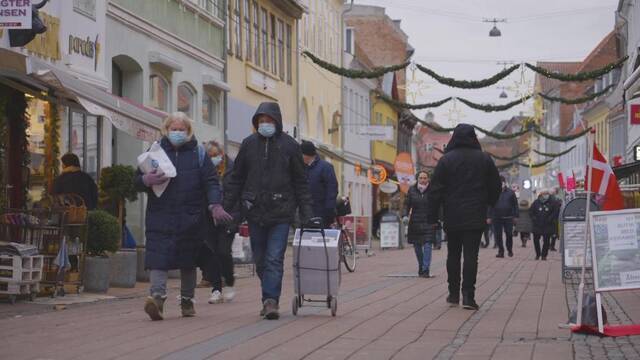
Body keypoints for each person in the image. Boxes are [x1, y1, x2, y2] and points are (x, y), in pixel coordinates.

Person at [136, 112, 231, 321]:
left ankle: (187, 301)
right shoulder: (156, 151)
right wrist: (145, 179)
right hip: (160, 215)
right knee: (158, 259)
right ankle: (157, 299)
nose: (177, 132)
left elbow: (211, 181)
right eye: (173, 129)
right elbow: (136, 179)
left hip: (190, 216)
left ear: (188, 132)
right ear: (166, 129)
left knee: (188, 261)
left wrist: (214, 204)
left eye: (181, 129)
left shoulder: (198, 153)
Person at [224, 102, 312, 320]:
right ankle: (268, 297)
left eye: (269, 121)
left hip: (281, 212)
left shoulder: (290, 146)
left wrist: (306, 213)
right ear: (256, 123)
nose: (265, 124)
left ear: (277, 121)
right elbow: (236, 179)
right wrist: (227, 208)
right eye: (261, 121)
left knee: (274, 258)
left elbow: (301, 182)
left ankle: (271, 301)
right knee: (261, 260)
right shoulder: (248, 145)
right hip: (255, 212)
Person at [427, 124, 501, 311]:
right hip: (475, 214)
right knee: (471, 256)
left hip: (452, 214)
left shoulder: (446, 160)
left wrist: (433, 216)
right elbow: (496, 186)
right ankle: (469, 296)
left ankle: (453, 294)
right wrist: (489, 203)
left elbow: (435, 190)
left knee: (453, 254)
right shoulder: (484, 159)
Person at [201, 140, 239, 305]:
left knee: (224, 252)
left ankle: (229, 282)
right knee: (212, 254)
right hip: (209, 218)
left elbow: (238, 193)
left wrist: (236, 216)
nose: (213, 159)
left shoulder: (233, 170)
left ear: (222, 154)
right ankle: (216, 289)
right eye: (210, 156)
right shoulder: (204, 170)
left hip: (228, 218)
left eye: (215, 155)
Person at [403, 170, 435, 278]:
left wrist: (439, 219)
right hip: (415, 222)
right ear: (418, 179)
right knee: (417, 246)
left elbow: (438, 205)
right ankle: (421, 265)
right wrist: (405, 215)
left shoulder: (432, 190)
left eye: (425, 178)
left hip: (429, 221)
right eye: (421, 178)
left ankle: (426, 269)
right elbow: (406, 204)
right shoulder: (412, 190)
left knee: (427, 245)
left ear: (428, 179)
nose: (423, 180)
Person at [300, 140, 338, 227]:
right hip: (305, 213)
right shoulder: (301, 168)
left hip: (321, 213)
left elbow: (332, 190)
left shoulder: (325, 168)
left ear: (305, 155)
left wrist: (329, 210)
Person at [490, 176, 519, 258]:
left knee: (509, 234)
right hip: (496, 217)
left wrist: (516, 216)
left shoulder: (510, 193)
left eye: (501, 182)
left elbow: (515, 205)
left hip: (508, 217)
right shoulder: (493, 192)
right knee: (498, 235)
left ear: (504, 183)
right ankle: (501, 251)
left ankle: (509, 249)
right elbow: (489, 205)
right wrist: (488, 216)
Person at [529, 190, 559, 260]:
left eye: (547, 194)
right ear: (541, 194)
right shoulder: (536, 202)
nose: (545, 195)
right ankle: (538, 254)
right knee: (536, 240)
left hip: (548, 225)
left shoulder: (553, 202)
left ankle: (544, 255)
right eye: (544, 194)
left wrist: (550, 219)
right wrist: (534, 219)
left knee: (546, 241)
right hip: (537, 224)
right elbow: (531, 211)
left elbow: (555, 212)